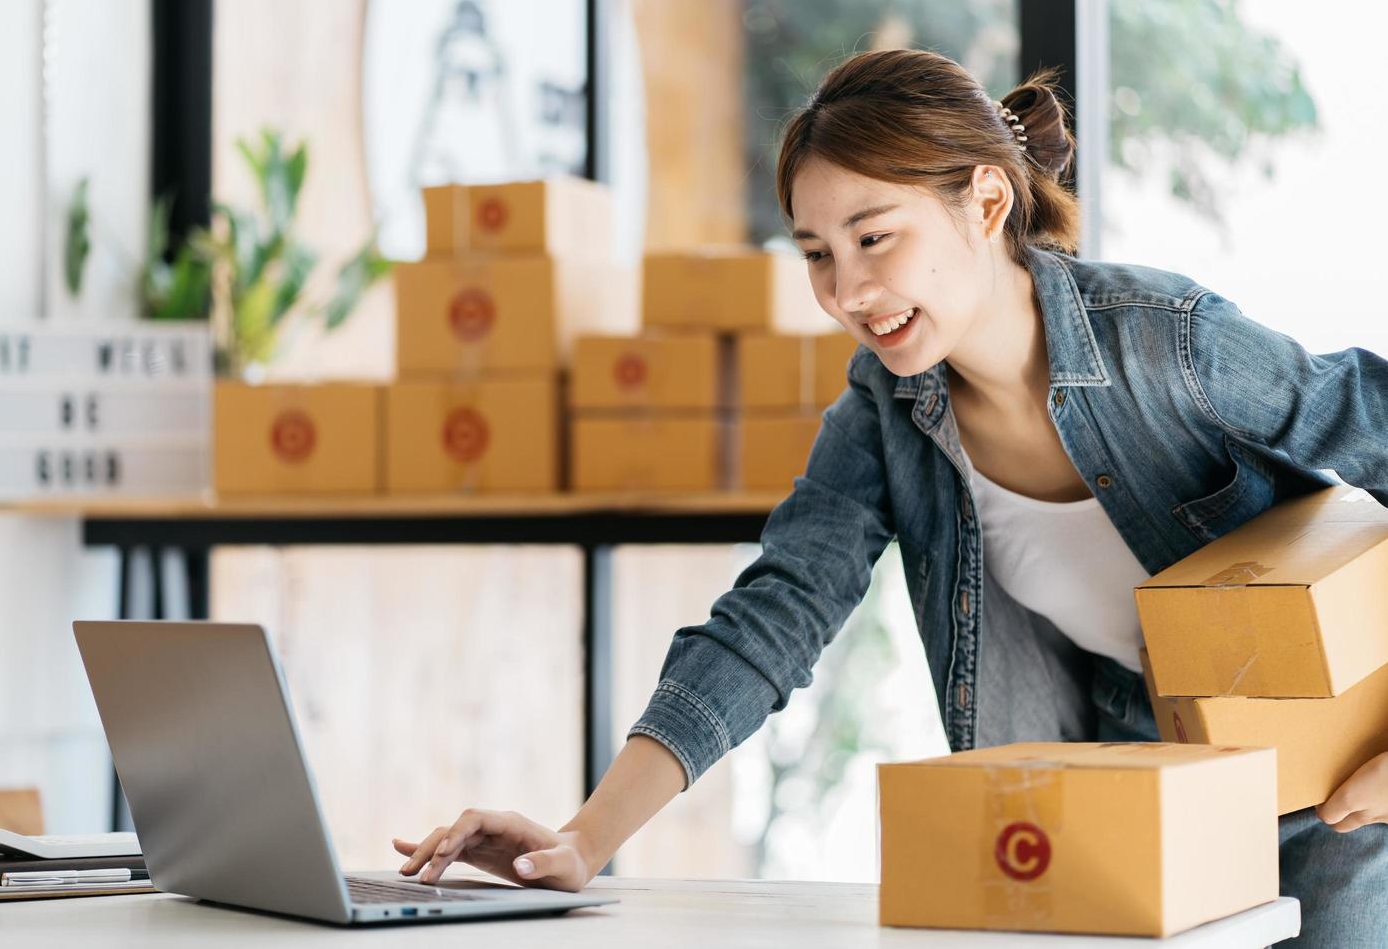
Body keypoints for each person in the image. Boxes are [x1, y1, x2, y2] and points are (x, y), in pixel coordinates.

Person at [391, 48, 1388, 946]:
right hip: (1136, 801)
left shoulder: (1168, 341)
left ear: (987, 202)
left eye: (874, 237)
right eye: (818, 253)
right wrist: (583, 837)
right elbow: (777, 610)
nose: (847, 290)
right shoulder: (888, 406)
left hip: (1329, 796)